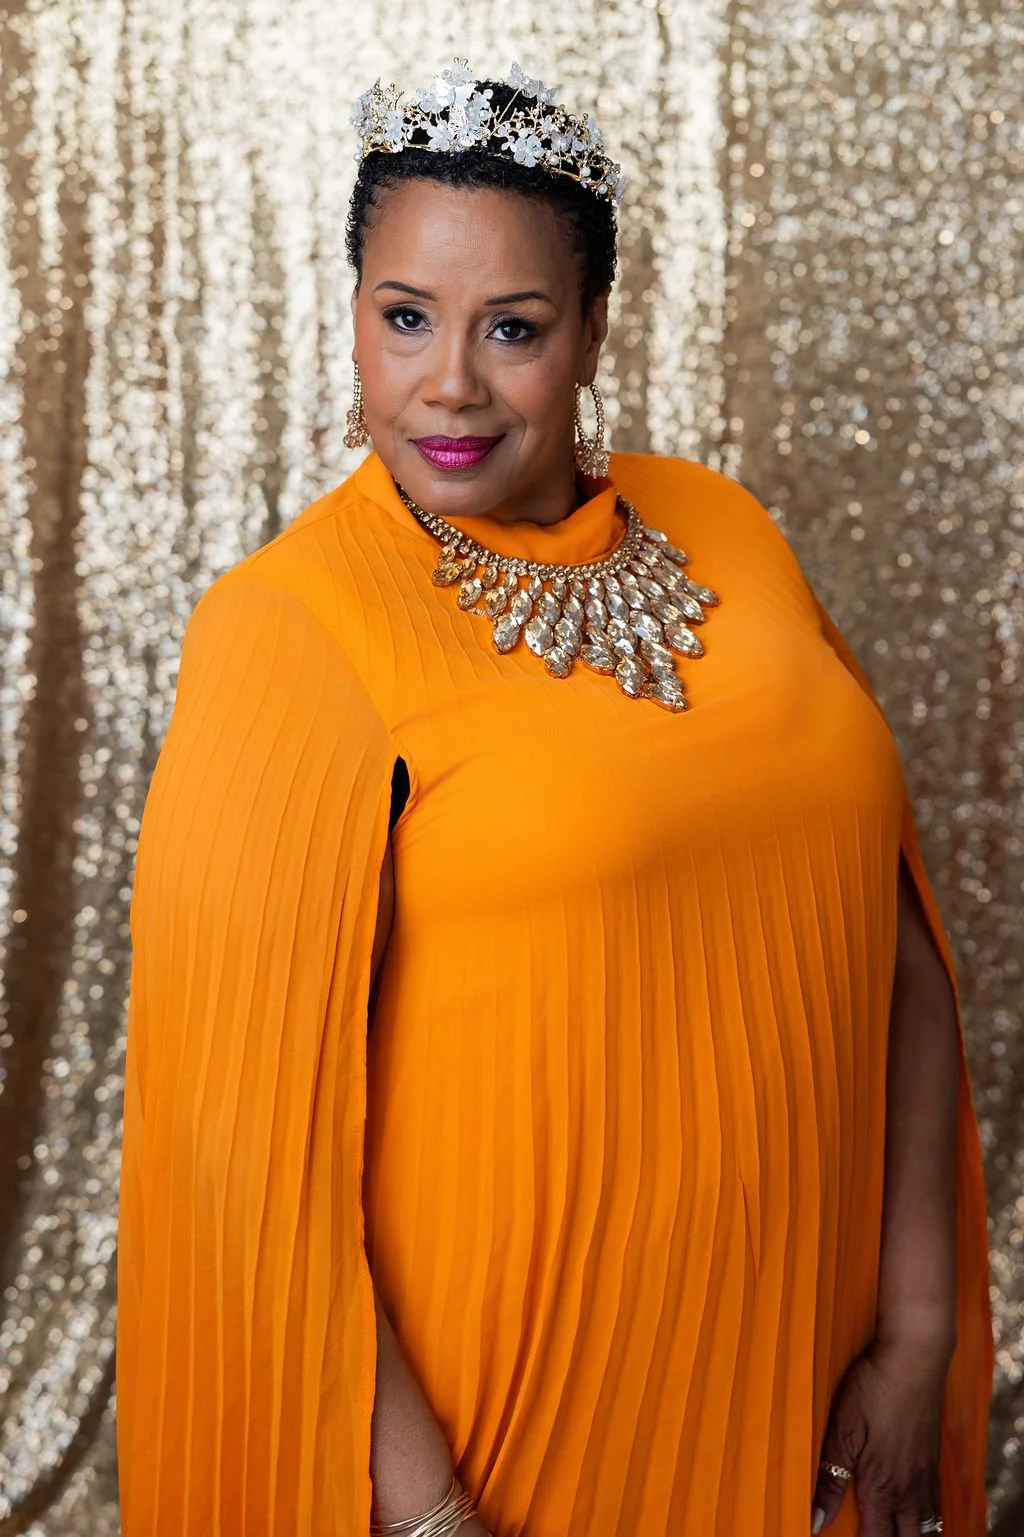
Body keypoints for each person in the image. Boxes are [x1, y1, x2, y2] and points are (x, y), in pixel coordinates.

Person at [115, 58, 993, 1537]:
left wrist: (917, 1336)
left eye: (510, 328)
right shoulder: (290, 625)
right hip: (504, 1423)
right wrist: (434, 1515)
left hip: (801, 1380)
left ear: (592, 333)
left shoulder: (725, 526)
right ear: (354, 318)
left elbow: (893, 949)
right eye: (405, 318)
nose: (447, 384)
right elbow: (237, 1155)